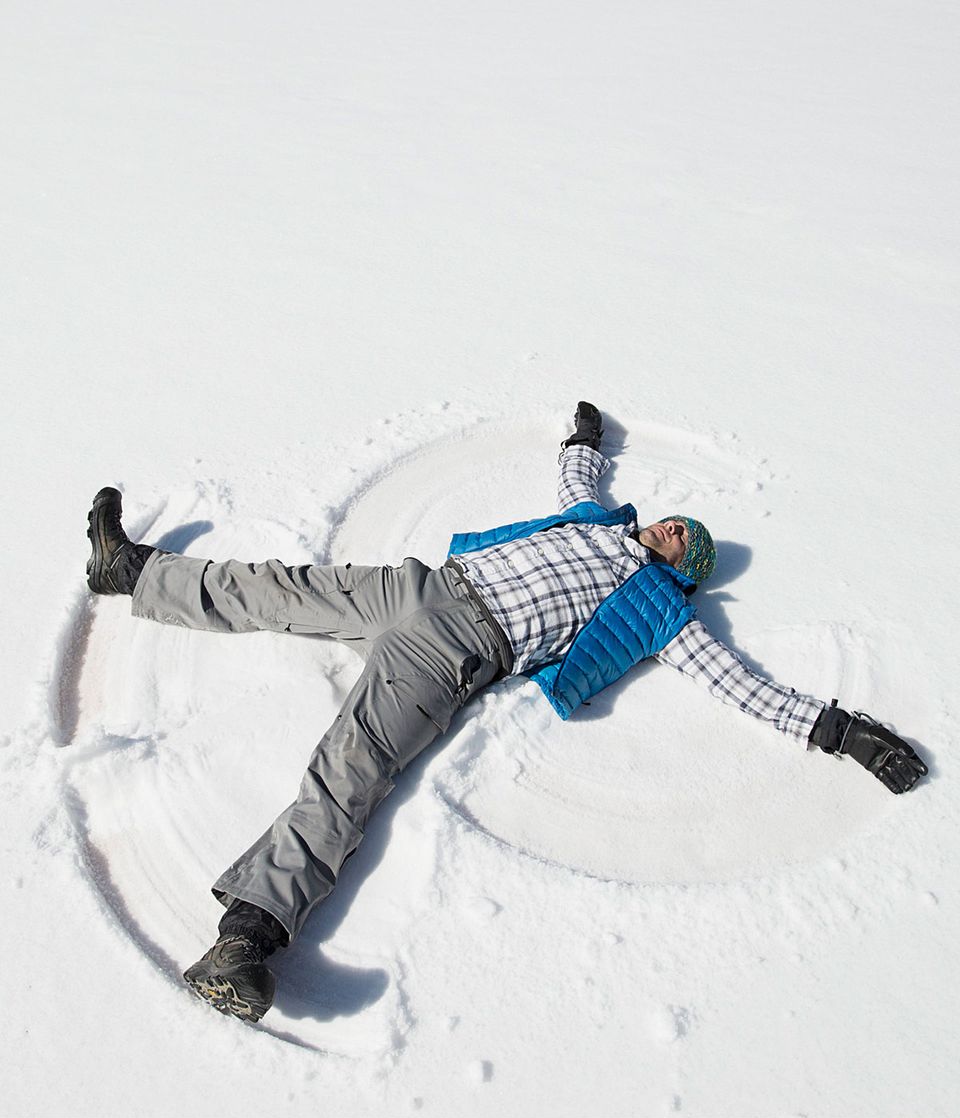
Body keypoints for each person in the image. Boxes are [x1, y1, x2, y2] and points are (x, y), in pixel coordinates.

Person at [85, 402, 928, 1024]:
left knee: (348, 773)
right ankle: (132, 573)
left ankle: (247, 941)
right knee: (278, 587)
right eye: (677, 521)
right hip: (421, 587)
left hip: (454, 652)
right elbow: (576, 480)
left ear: (686, 572)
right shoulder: (597, 522)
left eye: (687, 541)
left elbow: (740, 684)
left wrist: (844, 732)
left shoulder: (661, 613)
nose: (675, 528)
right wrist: (586, 441)